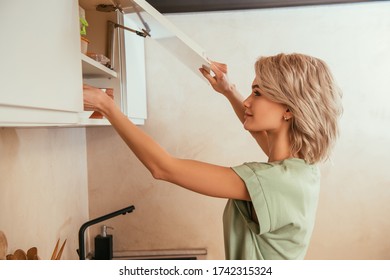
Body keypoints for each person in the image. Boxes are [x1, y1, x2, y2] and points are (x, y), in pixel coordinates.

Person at [83, 53, 343, 260]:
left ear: (288, 109)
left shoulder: (272, 180)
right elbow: (263, 135)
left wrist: (107, 106)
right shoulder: (301, 169)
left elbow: (163, 168)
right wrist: (228, 90)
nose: (248, 102)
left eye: (258, 93)